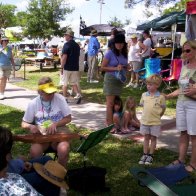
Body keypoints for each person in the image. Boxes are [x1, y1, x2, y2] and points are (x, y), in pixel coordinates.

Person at [21, 76, 72, 168]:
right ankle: (39, 174)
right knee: (34, 151)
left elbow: (68, 118)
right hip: (42, 134)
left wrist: (55, 124)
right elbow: (23, 123)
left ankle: (60, 174)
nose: (51, 95)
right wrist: (31, 127)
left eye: (52, 92)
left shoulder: (60, 99)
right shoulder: (33, 103)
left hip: (59, 132)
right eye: (48, 93)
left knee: (63, 149)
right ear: (40, 92)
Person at [165, 40, 196, 172]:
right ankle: (181, 159)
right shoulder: (184, 66)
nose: (185, 53)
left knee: (194, 135)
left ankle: (194, 163)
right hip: (181, 103)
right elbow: (181, 89)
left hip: (193, 105)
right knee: (183, 132)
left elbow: (191, 89)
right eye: (183, 51)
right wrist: (166, 96)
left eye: (188, 50)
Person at [0, 126, 41, 195]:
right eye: (11, 150)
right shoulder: (19, 188)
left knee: (46, 159)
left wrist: (20, 162)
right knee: (42, 177)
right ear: (7, 156)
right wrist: (20, 162)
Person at [101, 33, 129, 126]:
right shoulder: (109, 53)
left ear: (124, 44)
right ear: (114, 43)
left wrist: (127, 67)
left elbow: (124, 65)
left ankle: (114, 121)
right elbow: (102, 67)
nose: (119, 45)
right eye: (117, 43)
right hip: (110, 79)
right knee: (110, 103)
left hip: (119, 80)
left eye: (121, 43)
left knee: (117, 102)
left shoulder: (125, 53)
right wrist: (115, 68)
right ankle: (109, 124)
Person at [139, 74, 166, 165]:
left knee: (153, 138)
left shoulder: (161, 97)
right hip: (145, 121)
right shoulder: (144, 95)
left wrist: (159, 115)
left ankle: (151, 155)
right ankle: (145, 154)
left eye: (151, 84)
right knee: (146, 137)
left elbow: (163, 108)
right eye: (148, 84)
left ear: (157, 85)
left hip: (155, 122)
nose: (148, 86)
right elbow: (143, 106)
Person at [61, 29, 81, 99]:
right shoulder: (77, 45)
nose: (64, 36)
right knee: (74, 83)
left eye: (65, 35)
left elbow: (64, 57)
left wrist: (61, 67)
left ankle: (64, 98)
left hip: (67, 67)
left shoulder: (66, 45)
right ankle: (78, 94)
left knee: (64, 83)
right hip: (75, 67)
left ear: (69, 36)